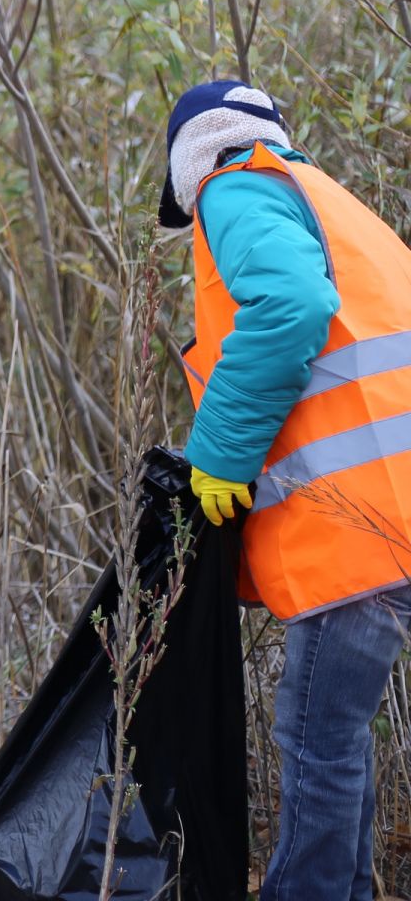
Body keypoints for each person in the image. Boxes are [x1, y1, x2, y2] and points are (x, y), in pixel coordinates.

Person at [162, 80, 411, 900]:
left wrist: (221, 454)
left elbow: (293, 307)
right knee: (336, 737)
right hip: (389, 516)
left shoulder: (235, 189)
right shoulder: (330, 202)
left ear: (190, 163)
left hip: (360, 529)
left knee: (316, 739)